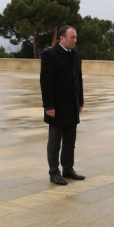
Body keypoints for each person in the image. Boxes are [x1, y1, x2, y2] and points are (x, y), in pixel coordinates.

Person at [40, 25, 85, 185]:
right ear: (62, 38)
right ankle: (54, 172)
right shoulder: (50, 55)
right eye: (72, 37)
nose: (75, 40)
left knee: (70, 142)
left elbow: (78, 80)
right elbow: (45, 83)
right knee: (54, 141)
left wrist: (80, 102)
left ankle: (68, 168)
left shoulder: (76, 56)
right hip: (56, 107)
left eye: (75, 37)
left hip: (72, 106)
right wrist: (49, 106)